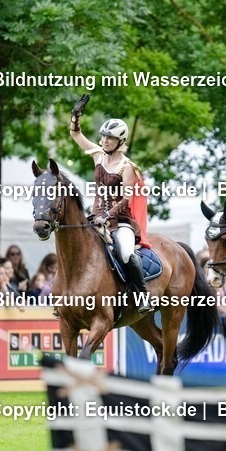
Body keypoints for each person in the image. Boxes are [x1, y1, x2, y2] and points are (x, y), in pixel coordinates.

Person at [68, 94, 153, 313]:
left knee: (125, 252)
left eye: (110, 138)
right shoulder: (98, 155)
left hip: (119, 221)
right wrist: (76, 115)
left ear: (120, 141)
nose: (104, 141)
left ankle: (142, 295)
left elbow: (126, 199)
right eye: (104, 137)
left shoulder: (127, 167)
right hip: (95, 217)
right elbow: (75, 134)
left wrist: (108, 216)